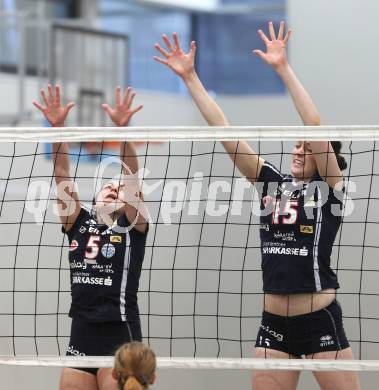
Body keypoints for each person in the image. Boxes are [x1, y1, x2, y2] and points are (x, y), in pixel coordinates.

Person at [154, 22, 360, 390]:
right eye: (295, 145)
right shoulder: (271, 182)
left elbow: (313, 124)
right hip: (273, 325)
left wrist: (283, 68)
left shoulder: (330, 192)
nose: (299, 149)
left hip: (319, 321)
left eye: (306, 147)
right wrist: (190, 78)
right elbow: (225, 133)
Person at [33, 85, 148, 390]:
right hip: (81, 332)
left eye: (118, 188)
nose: (114, 188)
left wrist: (122, 131)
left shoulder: (131, 224)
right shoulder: (76, 220)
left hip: (120, 332)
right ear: (95, 196)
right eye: (107, 186)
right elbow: (61, 173)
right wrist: (57, 128)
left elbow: (131, 176)